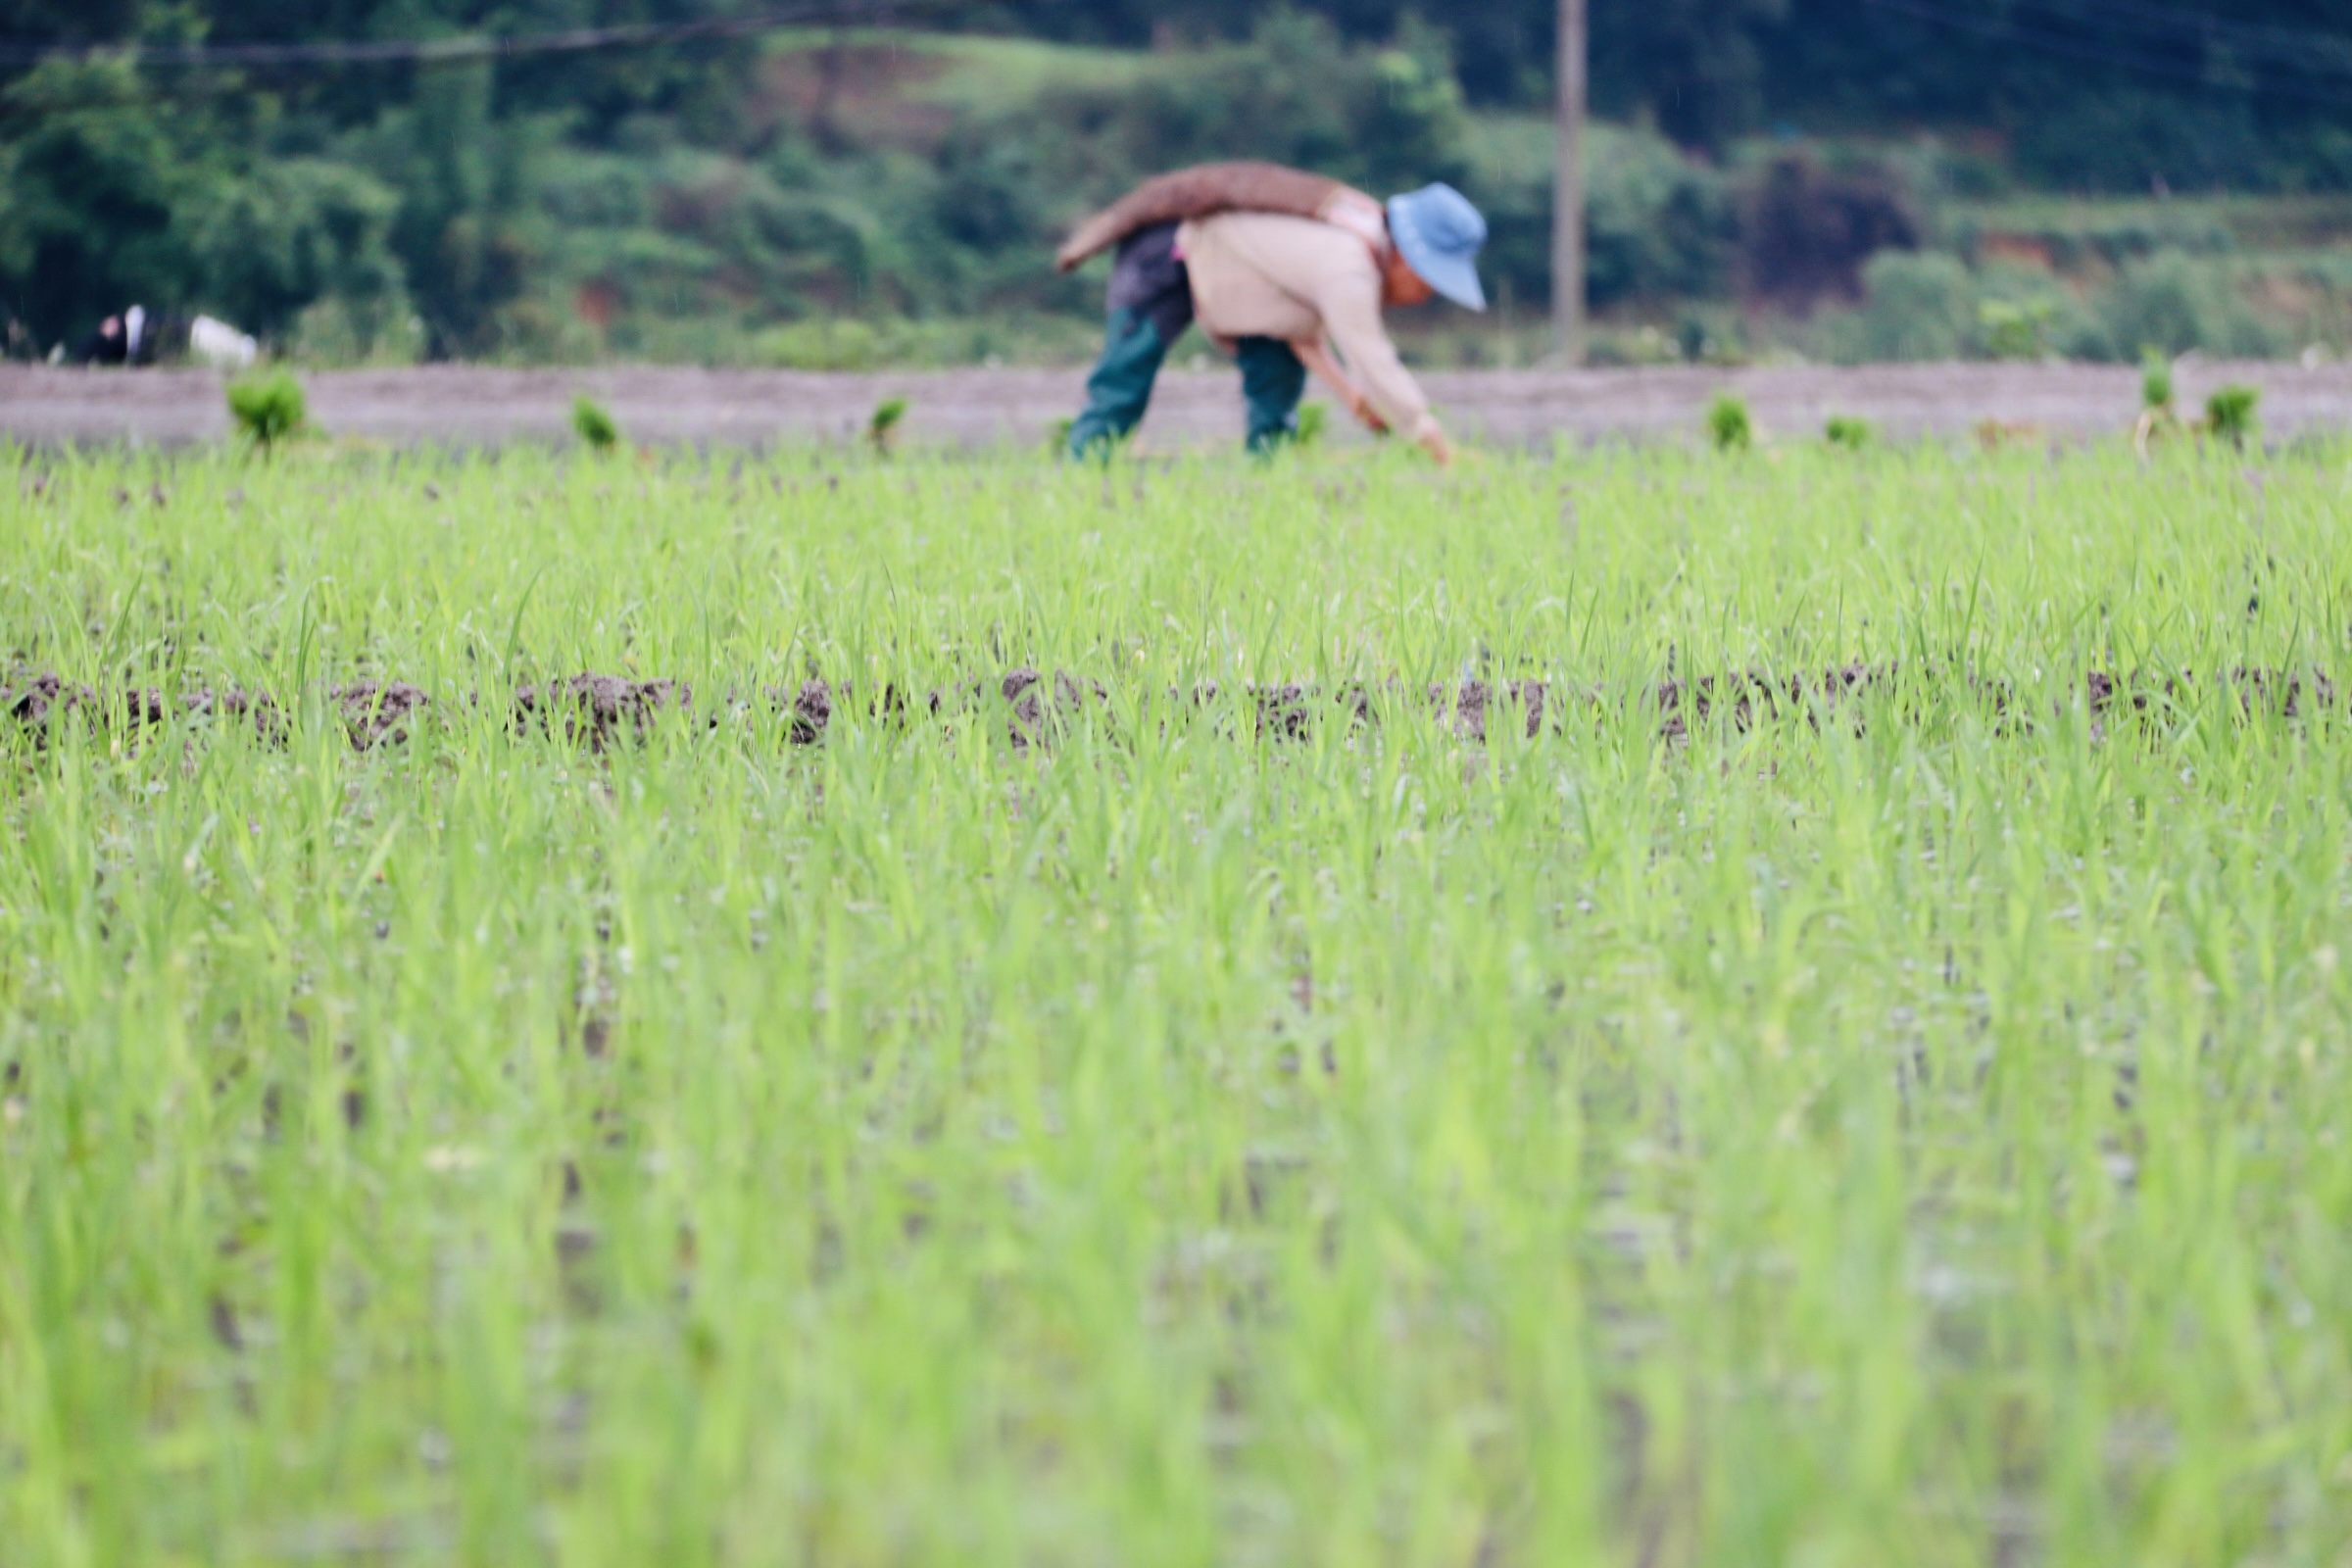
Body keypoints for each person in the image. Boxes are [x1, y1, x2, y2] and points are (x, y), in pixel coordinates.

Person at [1065, 180, 1488, 466]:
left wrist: (1349, 395)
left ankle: (1262, 481)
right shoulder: (1350, 267)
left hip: (1241, 286)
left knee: (1276, 376)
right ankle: (1082, 468)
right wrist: (1430, 439)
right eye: (1427, 281)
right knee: (1125, 376)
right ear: (1408, 258)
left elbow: (1298, 334)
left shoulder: (1352, 234)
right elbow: (1371, 358)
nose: (1425, 294)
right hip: (1169, 251)